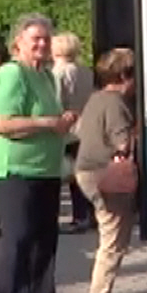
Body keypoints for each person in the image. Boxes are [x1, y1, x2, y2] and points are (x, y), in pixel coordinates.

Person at [0, 14, 76, 293]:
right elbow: (0, 123)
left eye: (46, 38)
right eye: (35, 38)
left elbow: (51, 119)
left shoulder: (47, 75)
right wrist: (47, 123)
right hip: (15, 169)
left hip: (46, 168)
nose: (42, 44)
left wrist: (63, 122)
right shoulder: (12, 74)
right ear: (18, 43)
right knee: (19, 236)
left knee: (44, 236)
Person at [73, 48, 140, 293]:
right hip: (105, 174)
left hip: (87, 171)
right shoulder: (115, 103)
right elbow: (122, 143)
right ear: (124, 75)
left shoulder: (96, 98)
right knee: (112, 240)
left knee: (109, 235)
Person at [51, 30, 96, 235]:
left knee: (68, 173)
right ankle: (89, 214)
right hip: (86, 125)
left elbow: (56, 102)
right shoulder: (86, 72)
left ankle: (79, 217)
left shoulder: (57, 73)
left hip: (68, 128)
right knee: (84, 173)